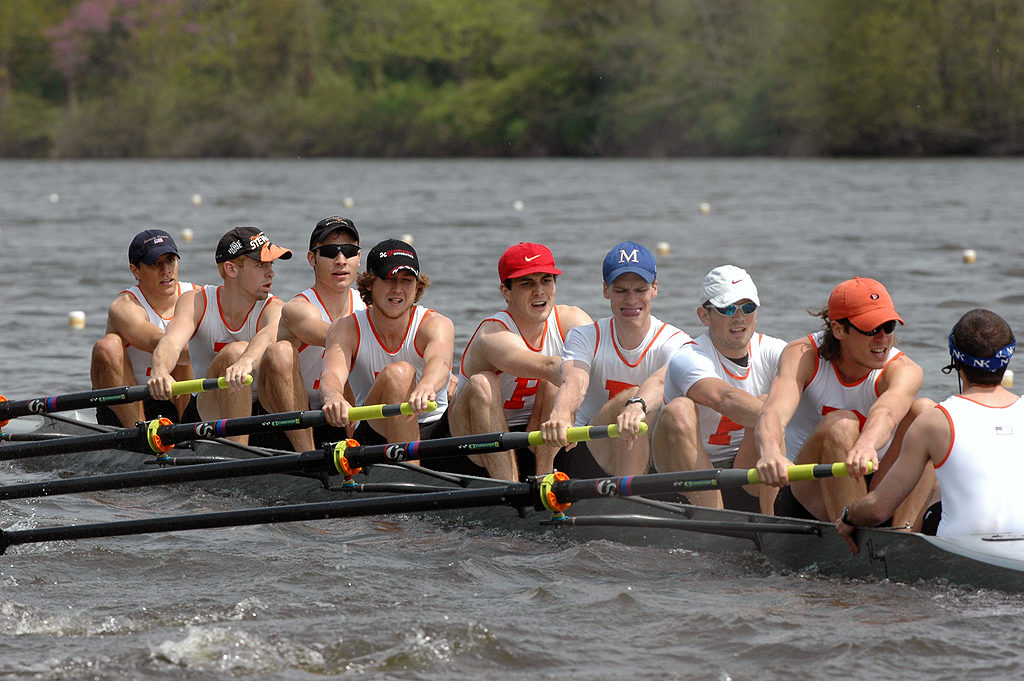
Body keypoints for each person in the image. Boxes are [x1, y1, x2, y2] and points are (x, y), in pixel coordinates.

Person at [754, 276, 935, 527]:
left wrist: (867, 444)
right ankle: (857, 542)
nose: (883, 338)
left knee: (928, 414)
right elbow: (773, 411)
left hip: (874, 486)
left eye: (889, 326)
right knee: (842, 424)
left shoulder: (904, 370)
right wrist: (771, 453)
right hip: (807, 491)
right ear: (838, 329)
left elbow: (887, 412)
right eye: (871, 329)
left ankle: (902, 537)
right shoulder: (802, 355)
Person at [837, 309, 1023, 549]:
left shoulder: (935, 421)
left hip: (960, 548)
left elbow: (878, 510)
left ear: (955, 359)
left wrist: (848, 515)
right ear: (1008, 357)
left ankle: (906, 551)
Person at [542, 241, 694, 478]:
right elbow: (574, 381)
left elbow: (663, 381)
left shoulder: (676, 340)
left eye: (640, 290)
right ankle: (628, 498)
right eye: (621, 291)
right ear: (606, 290)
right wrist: (561, 413)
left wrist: (637, 406)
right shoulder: (584, 336)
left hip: (650, 450)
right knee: (631, 395)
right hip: (589, 454)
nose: (631, 300)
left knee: (663, 408)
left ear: (655, 288)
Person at [448, 243, 592, 480]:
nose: (539, 291)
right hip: (474, 446)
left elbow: (600, 368)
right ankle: (508, 488)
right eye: (527, 283)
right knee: (482, 382)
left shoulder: (573, 320)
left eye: (546, 280)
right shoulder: (493, 334)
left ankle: (545, 479)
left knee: (557, 384)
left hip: (537, 435)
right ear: (506, 292)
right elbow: (548, 367)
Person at [655, 265, 787, 511]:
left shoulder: (774, 350)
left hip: (741, 472)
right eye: (727, 309)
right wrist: (776, 419)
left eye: (748, 308)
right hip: (680, 477)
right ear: (704, 316)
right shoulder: (689, 356)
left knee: (769, 399)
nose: (739, 318)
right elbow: (722, 397)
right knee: (680, 409)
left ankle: (771, 520)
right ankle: (715, 518)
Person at [147, 226, 293, 443]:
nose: (271, 272)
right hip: (207, 414)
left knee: (282, 352)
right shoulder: (196, 301)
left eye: (271, 264)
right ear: (231, 269)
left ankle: (306, 456)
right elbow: (172, 342)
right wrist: (160, 371)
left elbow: (268, 335)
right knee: (235, 351)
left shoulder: (274, 307)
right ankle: (239, 456)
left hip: (260, 413)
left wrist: (246, 362)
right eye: (261, 265)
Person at [319, 239, 454, 449]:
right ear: (370, 283)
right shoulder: (346, 328)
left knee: (480, 384)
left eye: (407, 280)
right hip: (374, 431)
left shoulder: (437, 324)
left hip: (432, 428)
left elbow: (440, 364)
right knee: (398, 374)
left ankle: (509, 480)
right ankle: (412, 472)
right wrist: (333, 397)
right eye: (390, 279)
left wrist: (426, 386)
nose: (398, 289)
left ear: (417, 286)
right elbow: (332, 375)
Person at [258, 216, 366, 451]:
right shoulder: (298, 307)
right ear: (312, 258)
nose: (340, 260)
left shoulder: (369, 307)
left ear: (358, 258)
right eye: (329, 252)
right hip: (286, 415)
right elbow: (335, 336)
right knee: (281, 351)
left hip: (338, 412)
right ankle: (306, 454)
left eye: (348, 251)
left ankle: (356, 448)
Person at [91, 229, 198, 427]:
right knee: (108, 346)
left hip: (177, 401)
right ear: (136, 270)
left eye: (171, 260)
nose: (166, 270)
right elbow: (157, 342)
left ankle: (188, 432)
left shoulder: (198, 296)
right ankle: (138, 433)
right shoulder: (125, 306)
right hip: (129, 404)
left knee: (188, 345)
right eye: (156, 263)